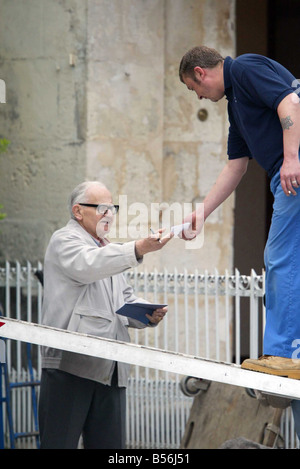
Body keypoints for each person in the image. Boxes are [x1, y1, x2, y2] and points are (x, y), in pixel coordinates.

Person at [38, 181, 173, 449]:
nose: (109, 214)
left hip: (111, 366)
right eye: (102, 208)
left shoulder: (107, 247)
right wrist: (137, 248)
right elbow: (88, 265)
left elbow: (122, 300)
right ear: (78, 211)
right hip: (71, 365)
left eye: (113, 208)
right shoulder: (65, 240)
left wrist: (147, 314)